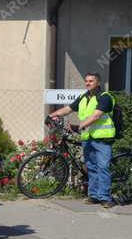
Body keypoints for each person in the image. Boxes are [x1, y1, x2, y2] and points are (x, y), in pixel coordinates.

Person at [48, 72, 116, 208]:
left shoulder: (105, 97)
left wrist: (79, 126)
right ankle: (94, 195)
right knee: (91, 167)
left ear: (98, 83)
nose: (88, 83)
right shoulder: (84, 98)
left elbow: (96, 116)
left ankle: (105, 197)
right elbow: (68, 109)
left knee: (102, 167)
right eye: (86, 81)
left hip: (102, 138)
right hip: (88, 138)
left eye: (91, 81)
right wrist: (52, 115)